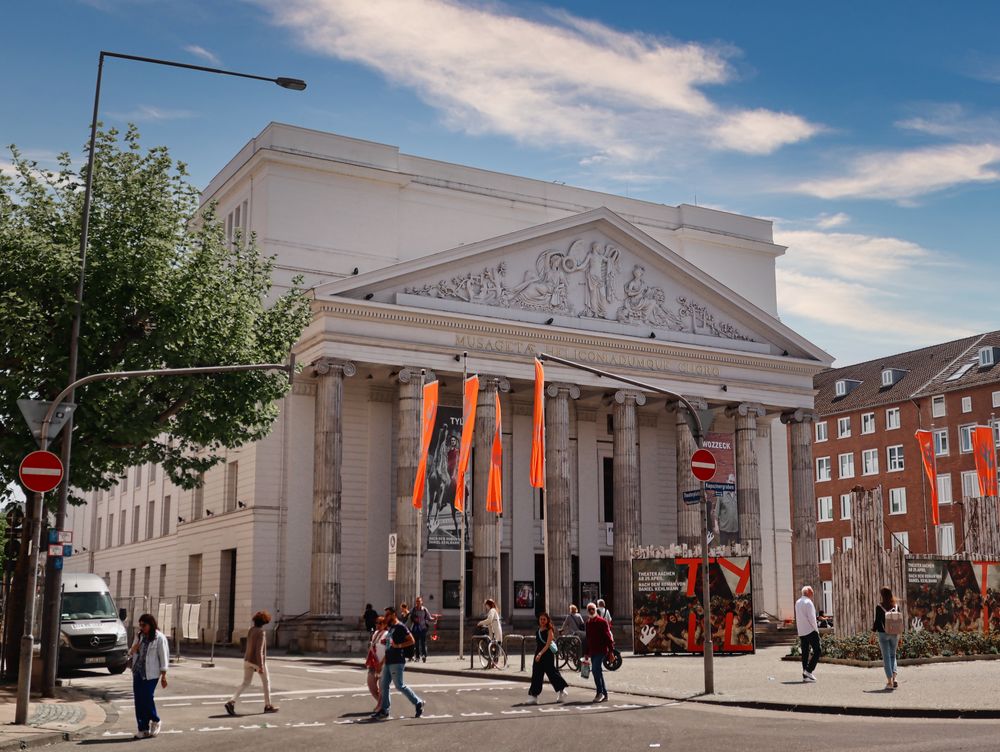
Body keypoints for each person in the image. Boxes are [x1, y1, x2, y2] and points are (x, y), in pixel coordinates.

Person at [372, 607, 424, 720]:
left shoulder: (401, 626)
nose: (385, 617)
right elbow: (389, 645)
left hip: (397, 660)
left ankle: (418, 702)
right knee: (383, 685)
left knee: (399, 685)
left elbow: (412, 640)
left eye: (387, 615)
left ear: (394, 615)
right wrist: (382, 662)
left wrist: (399, 646)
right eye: (385, 615)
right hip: (389, 660)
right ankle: (384, 710)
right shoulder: (391, 628)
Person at [225, 610, 278, 716]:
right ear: (264, 622)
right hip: (256, 661)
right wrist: (261, 666)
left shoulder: (251, 630)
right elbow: (259, 651)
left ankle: (231, 701)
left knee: (245, 683)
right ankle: (268, 705)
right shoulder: (261, 632)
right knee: (266, 682)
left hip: (247, 659)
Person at [128, 613, 169, 738]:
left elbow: (163, 656)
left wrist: (164, 675)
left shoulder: (159, 638)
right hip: (138, 671)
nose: (141, 627)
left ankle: (155, 720)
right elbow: (131, 652)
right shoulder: (139, 636)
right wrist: (133, 649)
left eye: (144, 625)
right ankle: (143, 728)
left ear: (151, 625)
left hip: (151, 673)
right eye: (140, 625)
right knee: (139, 700)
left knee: (147, 697)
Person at [527, 612, 568, 704]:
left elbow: (548, 644)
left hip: (547, 654)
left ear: (547, 620)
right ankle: (534, 695)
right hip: (538, 654)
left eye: (544, 619)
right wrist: (537, 654)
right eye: (541, 619)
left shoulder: (549, 630)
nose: (542, 621)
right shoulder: (538, 630)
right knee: (536, 674)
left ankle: (562, 691)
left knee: (552, 673)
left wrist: (540, 654)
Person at [584, 602, 613, 703]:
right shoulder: (588, 623)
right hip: (592, 650)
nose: (591, 611)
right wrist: (586, 652)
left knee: (595, 670)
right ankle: (605, 694)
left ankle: (599, 693)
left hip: (601, 650)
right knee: (598, 672)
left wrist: (611, 651)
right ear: (587, 611)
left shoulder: (602, 621)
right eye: (589, 610)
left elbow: (608, 637)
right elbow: (587, 638)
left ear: (596, 610)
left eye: (593, 609)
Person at [872, 587, 900, 689]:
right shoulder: (896, 606)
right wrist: (900, 635)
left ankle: (889, 682)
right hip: (895, 633)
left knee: (886, 657)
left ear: (882, 595)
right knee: (893, 655)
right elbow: (899, 621)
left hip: (883, 634)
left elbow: (877, 622)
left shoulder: (879, 607)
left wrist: (872, 634)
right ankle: (895, 678)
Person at [795, 585, 820, 682]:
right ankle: (809, 670)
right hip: (810, 630)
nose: (813, 594)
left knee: (805, 653)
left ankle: (805, 675)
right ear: (808, 592)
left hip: (801, 631)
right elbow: (812, 618)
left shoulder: (797, 602)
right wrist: (816, 630)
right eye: (812, 592)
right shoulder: (808, 602)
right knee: (818, 650)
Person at [365, 615, 388, 712]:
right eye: (377, 623)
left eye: (380, 623)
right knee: (371, 686)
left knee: (382, 688)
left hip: (383, 664)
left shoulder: (387, 634)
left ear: (385, 624)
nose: (378, 625)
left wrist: (382, 662)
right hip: (373, 663)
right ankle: (383, 703)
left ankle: (382, 706)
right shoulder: (375, 634)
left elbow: (388, 650)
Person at [408, 596, 434, 663]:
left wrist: (434, 619)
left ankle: (424, 655)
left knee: (423, 642)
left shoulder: (424, 609)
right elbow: (408, 617)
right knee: (416, 643)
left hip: (423, 628)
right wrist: (413, 618)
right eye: (417, 601)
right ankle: (417, 657)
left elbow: (429, 618)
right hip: (416, 629)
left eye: (419, 601)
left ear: (422, 602)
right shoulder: (413, 609)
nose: (418, 603)